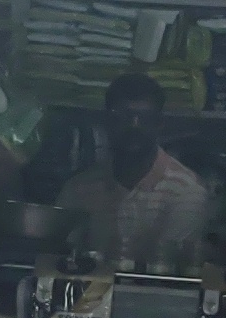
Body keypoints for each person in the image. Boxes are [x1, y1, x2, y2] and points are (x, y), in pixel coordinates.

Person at [56, 69, 213, 269]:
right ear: (106, 121)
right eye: (123, 117)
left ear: (159, 123)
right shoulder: (78, 188)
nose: (134, 126)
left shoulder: (186, 191)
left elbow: (168, 269)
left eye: (145, 118)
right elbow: (60, 258)